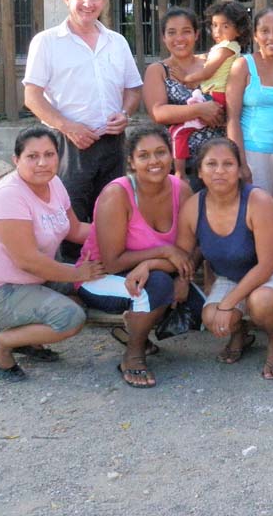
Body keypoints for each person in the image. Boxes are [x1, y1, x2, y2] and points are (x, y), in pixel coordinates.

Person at [0, 126, 104, 382]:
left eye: (49, 155)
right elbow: (27, 261)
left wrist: (120, 232)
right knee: (71, 317)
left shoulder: (54, 183)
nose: (42, 163)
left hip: (30, 280)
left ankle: (26, 339)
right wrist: (77, 273)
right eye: (32, 156)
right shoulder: (9, 196)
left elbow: (74, 229)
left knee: (87, 290)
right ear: (16, 160)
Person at [23, 0, 142, 258]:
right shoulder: (47, 42)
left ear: (104, 1)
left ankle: (108, 268)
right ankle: (72, 274)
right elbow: (32, 97)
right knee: (69, 215)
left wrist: (125, 113)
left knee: (112, 209)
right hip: (68, 145)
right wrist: (68, 126)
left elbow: (133, 89)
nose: (88, 4)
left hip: (112, 142)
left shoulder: (117, 42)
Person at [76, 124, 195, 388]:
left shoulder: (181, 190)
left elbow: (187, 252)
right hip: (99, 276)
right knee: (158, 287)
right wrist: (164, 251)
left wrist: (180, 277)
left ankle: (135, 327)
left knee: (190, 299)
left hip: (154, 270)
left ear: (171, 155)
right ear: (131, 162)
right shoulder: (117, 194)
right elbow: (112, 262)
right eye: (144, 155)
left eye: (161, 152)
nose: (154, 161)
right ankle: (133, 355)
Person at [178, 138, 273, 381]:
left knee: (261, 302)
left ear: (239, 170)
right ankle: (241, 334)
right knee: (211, 317)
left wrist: (229, 303)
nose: (219, 171)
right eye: (211, 164)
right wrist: (183, 279)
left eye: (228, 164)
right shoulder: (193, 207)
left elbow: (268, 265)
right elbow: (185, 254)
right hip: (232, 276)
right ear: (200, 172)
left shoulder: (258, 202)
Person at [225, 7, 273, 207]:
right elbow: (232, 118)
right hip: (254, 154)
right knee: (258, 212)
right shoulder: (243, 66)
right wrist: (241, 163)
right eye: (264, 31)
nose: (272, 37)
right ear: (255, 35)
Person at [141, 7, 225, 183]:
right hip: (180, 166)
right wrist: (200, 110)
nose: (179, 38)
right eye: (172, 32)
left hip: (220, 161)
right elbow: (158, 113)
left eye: (186, 31)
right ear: (163, 37)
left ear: (196, 34)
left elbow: (232, 101)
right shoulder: (158, 70)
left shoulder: (213, 63)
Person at [169, 1, 250, 181]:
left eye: (225, 26)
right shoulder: (224, 48)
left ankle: (179, 173)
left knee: (178, 131)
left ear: (238, 30)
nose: (217, 31)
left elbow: (208, 72)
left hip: (216, 97)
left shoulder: (227, 48)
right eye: (214, 25)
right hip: (211, 94)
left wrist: (185, 78)